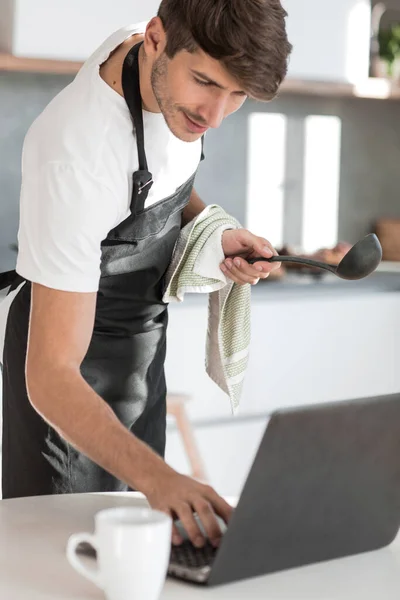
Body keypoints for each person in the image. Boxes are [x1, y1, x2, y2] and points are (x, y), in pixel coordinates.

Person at [0, 0, 291, 548]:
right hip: (66, 378)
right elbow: (51, 374)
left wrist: (209, 226)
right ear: (157, 38)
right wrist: (159, 478)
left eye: (238, 95)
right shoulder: (75, 152)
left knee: (137, 554)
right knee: (60, 562)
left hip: (139, 358)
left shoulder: (160, 59)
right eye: (206, 83)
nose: (215, 116)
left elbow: (158, 179)